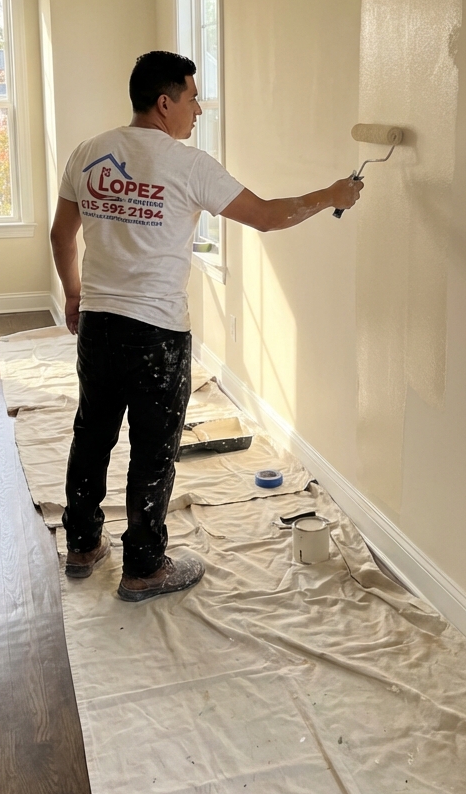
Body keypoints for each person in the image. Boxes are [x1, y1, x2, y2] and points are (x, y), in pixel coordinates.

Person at [51, 50, 362, 602]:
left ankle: (81, 544)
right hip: (156, 334)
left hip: (98, 325)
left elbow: (60, 234)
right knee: (153, 450)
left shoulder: (88, 152)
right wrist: (331, 196)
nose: (198, 109)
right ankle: (144, 567)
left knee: (92, 433)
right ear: (164, 103)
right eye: (193, 98)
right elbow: (268, 216)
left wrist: (74, 295)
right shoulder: (188, 165)